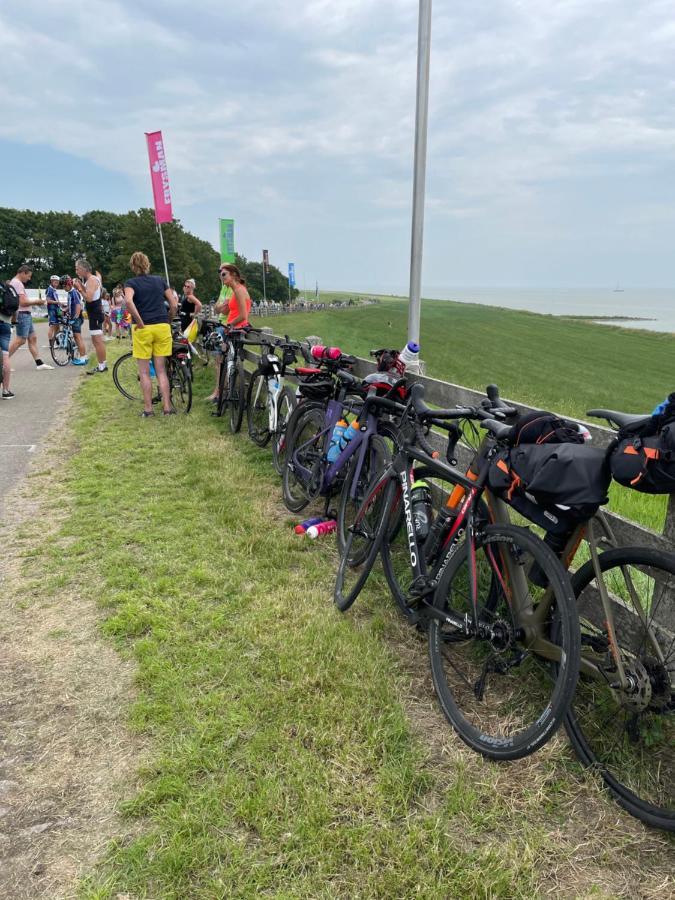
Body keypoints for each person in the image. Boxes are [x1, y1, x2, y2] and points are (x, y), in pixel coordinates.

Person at [123, 251, 177, 417]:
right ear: (148, 264)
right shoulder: (160, 280)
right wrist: (167, 320)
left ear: (133, 266)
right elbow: (174, 304)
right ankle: (167, 407)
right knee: (161, 370)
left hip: (143, 328)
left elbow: (128, 301)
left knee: (145, 372)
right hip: (162, 326)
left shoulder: (131, 283)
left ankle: (148, 409)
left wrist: (139, 321)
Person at [206, 263, 252, 402]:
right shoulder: (235, 289)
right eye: (220, 274)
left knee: (224, 361)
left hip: (234, 329)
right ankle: (224, 392)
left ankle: (224, 393)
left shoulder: (238, 290)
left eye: (224, 274)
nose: (221, 276)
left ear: (234, 275)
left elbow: (244, 315)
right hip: (232, 329)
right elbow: (221, 309)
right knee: (224, 362)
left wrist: (229, 325)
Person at [8, 264, 53, 370]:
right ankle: (2, 362)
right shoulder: (17, 283)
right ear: (23, 273)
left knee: (32, 338)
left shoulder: (15, 282)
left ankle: (39, 363)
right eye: (28, 276)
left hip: (25, 314)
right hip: (23, 314)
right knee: (20, 340)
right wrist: (37, 302)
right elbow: (22, 302)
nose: (29, 278)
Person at [73, 258, 107, 374]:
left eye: (77, 269)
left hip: (96, 313)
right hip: (94, 313)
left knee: (98, 341)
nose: (76, 271)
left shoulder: (92, 280)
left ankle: (102, 366)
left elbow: (89, 298)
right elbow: (87, 293)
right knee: (96, 340)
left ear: (83, 269)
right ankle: (101, 365)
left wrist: (79, 288)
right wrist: (81, 285)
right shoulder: (89, 280)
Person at [62, 275, 87, 365]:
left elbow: (78, 305)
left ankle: (83, 358)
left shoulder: (74, 293)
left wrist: (75, 317)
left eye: (64, 286)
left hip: (77, 318)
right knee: (77, 338)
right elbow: (71, 305)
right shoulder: (70, 293)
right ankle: (84, 356)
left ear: (69, 284)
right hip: (74, 317)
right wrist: (65, 309)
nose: (63, 287)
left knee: (78, 337)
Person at [46, 274, 62, 347]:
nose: (57, 283)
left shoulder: (54, 290)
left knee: (58, 327)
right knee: (52, 326)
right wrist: (57, 302)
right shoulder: (49, 289)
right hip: (52, 310)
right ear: (51, 281)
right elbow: (48, 301)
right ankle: (50, 343)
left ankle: (56, 340)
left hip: (57, 309)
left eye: (57, 282)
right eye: (55, 282)